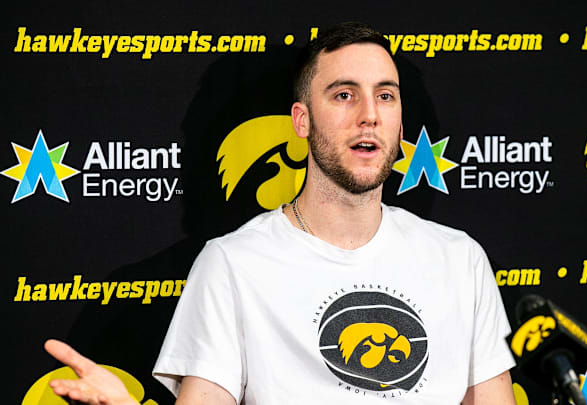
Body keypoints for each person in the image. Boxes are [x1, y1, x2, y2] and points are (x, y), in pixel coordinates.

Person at [44, 22, 517, 405]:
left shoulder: (460, 260)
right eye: (344, 95)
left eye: (386, 95)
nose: (369, 114)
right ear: (301, 120)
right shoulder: (233, 264)